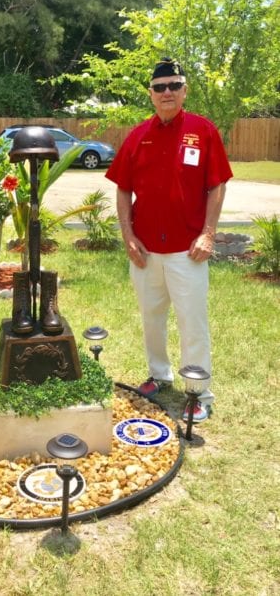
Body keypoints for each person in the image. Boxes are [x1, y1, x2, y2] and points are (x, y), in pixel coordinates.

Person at [106, 58, 233, 422]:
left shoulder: (203, 131)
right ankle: (158, 374)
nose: (167, 93)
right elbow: (123, 190)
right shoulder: (138, 135)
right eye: (160, 87)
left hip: (187, 251)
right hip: (146, 251)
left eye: (174, 86)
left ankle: (198, 392)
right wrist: (128, 236)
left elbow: (217, 185)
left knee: (192, 321)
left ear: (184, 90)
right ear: (150, 94)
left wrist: (208, 234)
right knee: (152, 317)